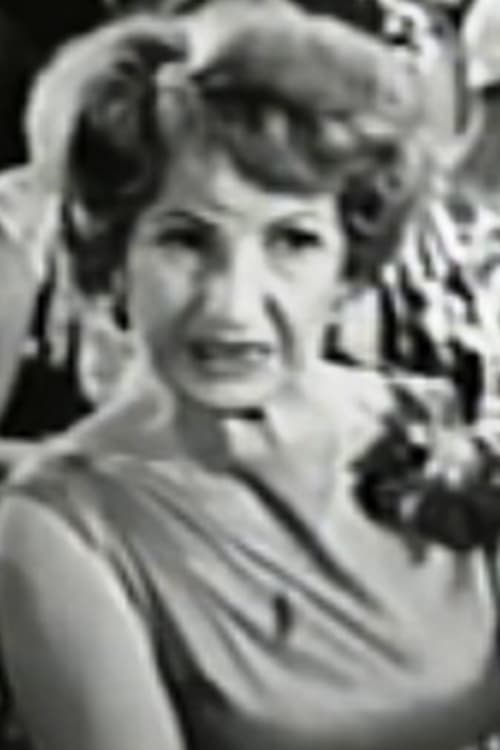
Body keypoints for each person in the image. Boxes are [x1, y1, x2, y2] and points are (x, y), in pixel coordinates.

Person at [1, 3, 500, 749]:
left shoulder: (421, 422)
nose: (232, 305)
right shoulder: (58, 531)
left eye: (292, 241)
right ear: (113, 256)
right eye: (185, 240)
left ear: (350, 264)